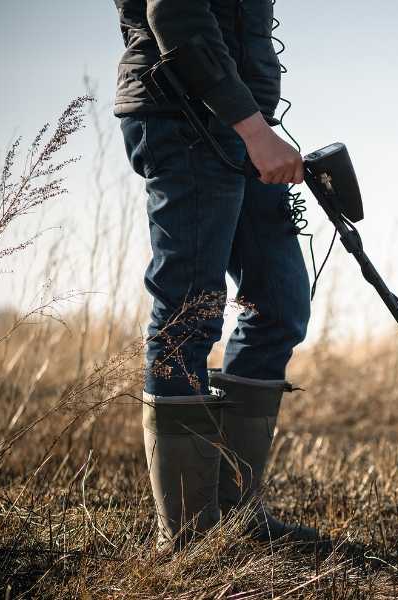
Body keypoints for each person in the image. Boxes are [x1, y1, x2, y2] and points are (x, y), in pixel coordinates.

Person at [112, 0, 321, 551]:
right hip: (185, 117)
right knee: (191, 311)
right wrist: (253, 129)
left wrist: (255, 127)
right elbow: (175, 13)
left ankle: (234, 514)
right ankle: (188, 537)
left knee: (279, 304)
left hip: (242, 123)